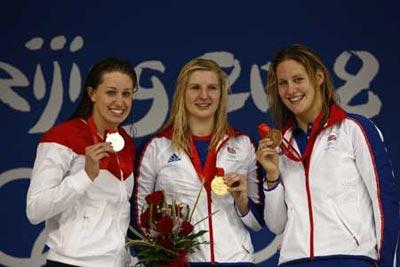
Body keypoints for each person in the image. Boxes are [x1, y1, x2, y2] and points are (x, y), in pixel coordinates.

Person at [257, 44, 400, 267]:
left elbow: (384, 202)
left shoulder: (354, 129)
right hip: (294, 261)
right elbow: (277, 225)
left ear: (319, 77)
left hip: (349, 258)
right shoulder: (280, 145)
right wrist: (272, 177)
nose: (290, 90)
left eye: (298, 79)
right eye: (283, 83)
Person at [134, 58, 264, 266]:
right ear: (182, 94)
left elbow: (257, 223)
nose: (204, 95)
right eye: (195, 88)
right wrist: (165, 255)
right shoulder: (156, 147)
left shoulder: (244, 145)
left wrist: (242, 201)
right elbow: (139, 219)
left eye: (212, 88)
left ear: (221, 95)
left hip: (236, 261)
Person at [26, 57, 137, 267]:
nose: (120, 102)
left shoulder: (126, 144)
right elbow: (35, 210)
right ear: (92, 93)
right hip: (71, 263)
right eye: (111, 92)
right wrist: (85, 175)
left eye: (127, 94)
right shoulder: (61, 137)